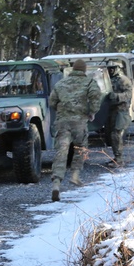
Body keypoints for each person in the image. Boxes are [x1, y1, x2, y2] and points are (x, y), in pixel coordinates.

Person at [48, 59, 102, 202]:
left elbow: (52, 101)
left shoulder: (61, 83)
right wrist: (92, 112)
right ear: (84, 70)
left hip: (62, 122)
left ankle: (56, 184)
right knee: (81, 148)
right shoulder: (89, 83)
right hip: (79, 122)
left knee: (61, 151)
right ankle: (75, 176)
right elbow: (96, 97)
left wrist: (62, 111)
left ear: (73, 69)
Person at [106, 61, 133, 166]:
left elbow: (128, 94)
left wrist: (117, 96)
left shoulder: (123, 80)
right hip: (111, 111)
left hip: (121, 111)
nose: (111, 70)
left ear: (117, 68)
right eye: (109, 68)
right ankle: (116, 158)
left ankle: (119, 159)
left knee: (115, 135)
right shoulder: (108, 79)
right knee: (111, 135)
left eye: (113, 68)